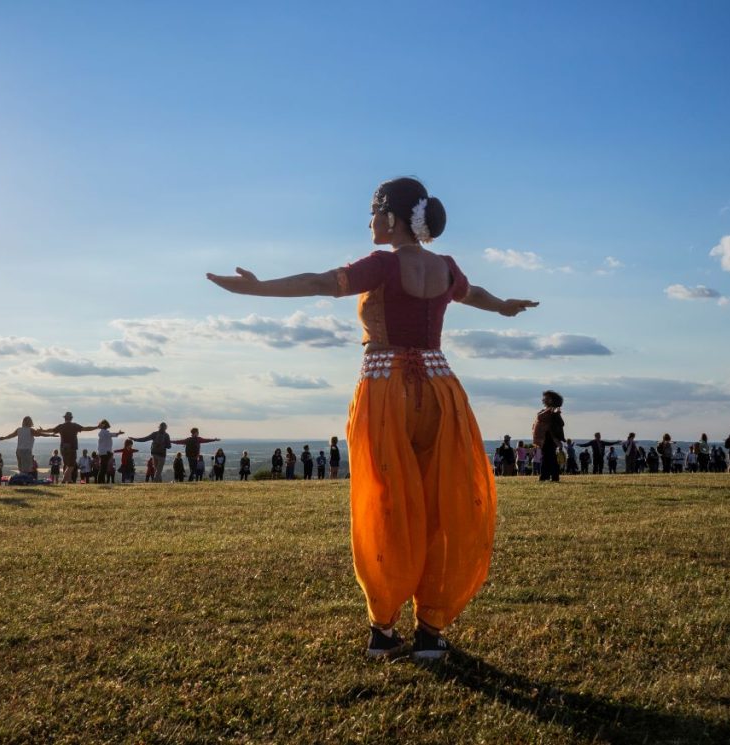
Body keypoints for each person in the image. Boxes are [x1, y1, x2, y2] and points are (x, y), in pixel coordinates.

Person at [207, 175, 535, 660]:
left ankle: (383, 629)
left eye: (373, 213)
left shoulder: (381, 265)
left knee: (386, 501)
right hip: (442, 391)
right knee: (437, 502)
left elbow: (321, 283)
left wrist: (257, 290)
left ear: (389, 217)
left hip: (386, 391)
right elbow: (475, 293)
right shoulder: (445, 268)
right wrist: (504, 306)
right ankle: (431, 630)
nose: (368, 222)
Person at [45, 412, 99, 483]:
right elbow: (86, 428)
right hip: (72, 448)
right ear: (71, 418)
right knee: (71, 465)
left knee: (67, 464)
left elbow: (51, 430)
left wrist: (42, 430)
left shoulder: (61, 426)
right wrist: (96, 427)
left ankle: (69, 480)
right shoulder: (74, 426)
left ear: (65, 418)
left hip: (63, 448)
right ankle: (64, 479)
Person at [533, 391, 565, 483]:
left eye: (545, 398)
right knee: (547, 457)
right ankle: (547, 476)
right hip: (545, 438)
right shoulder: (549, 410)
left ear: (551, 400)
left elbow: (558, 424)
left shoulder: (553, 411)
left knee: (549, 457)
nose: (543, 399)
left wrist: (556, 439)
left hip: (550, 438)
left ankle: (549, 477)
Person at [96, 420, 125, 486]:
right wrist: (118, 433)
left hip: (103, 452)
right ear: (104, 425)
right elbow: (112, 434)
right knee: (103, 468)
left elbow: (111, 434)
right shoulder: (104, 432)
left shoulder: (102, 432)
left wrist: (118, 433)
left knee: (103, 468)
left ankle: (101, 482)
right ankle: (101, 482)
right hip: (105, 452)